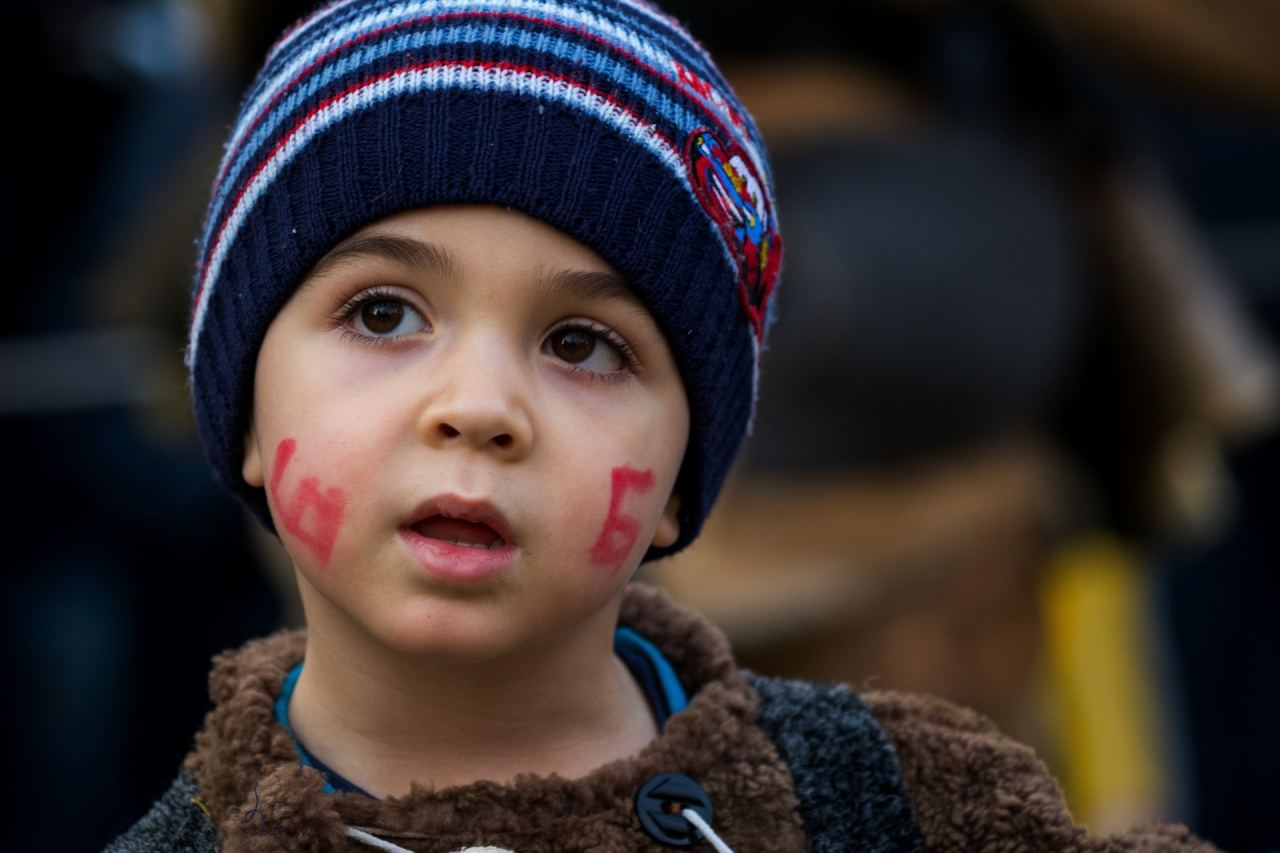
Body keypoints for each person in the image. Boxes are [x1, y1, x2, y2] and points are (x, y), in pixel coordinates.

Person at [107, 2, 1214, 851]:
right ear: (244, 407)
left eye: (584, 343)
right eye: (382, 314)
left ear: (690, 470)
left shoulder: (902, 793)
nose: (479, 409)